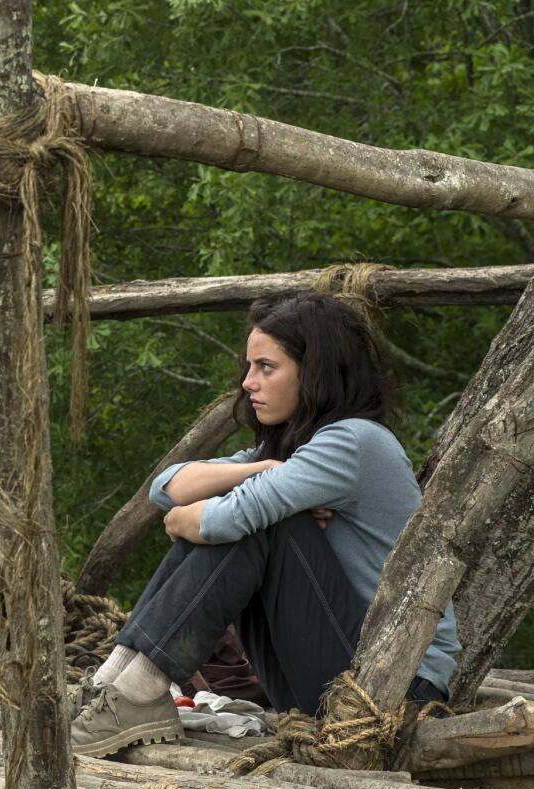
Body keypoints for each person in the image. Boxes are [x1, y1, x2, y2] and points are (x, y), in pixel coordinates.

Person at [69, 293, 461, 758]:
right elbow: (166, 488)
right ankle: (113, 685)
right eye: (248, 366)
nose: (248, 382)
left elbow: (221, 519)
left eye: (265, 367)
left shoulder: (355, 441)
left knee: (263, 522)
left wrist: (193, 516)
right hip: (335, 675)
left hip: (394, 689)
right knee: (253, 507)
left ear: (313, 371)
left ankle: (136, 691)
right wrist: (256, 472)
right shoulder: (292, 450)